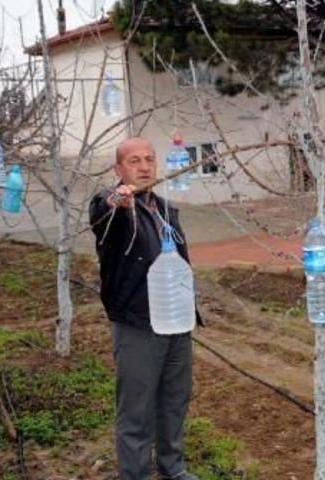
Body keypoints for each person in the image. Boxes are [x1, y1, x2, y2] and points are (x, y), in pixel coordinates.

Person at [90, 137, 202, 480]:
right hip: (139, 324)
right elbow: (104, 209)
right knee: (136, 410)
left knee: (173, 401)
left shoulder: (164, 208)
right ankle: (136, 474)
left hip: (176, 322)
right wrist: (117, 201)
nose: (143, 167)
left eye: (149, 160)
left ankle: (173, 469)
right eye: (134, 160)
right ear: (119, 169)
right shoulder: (113, 208)